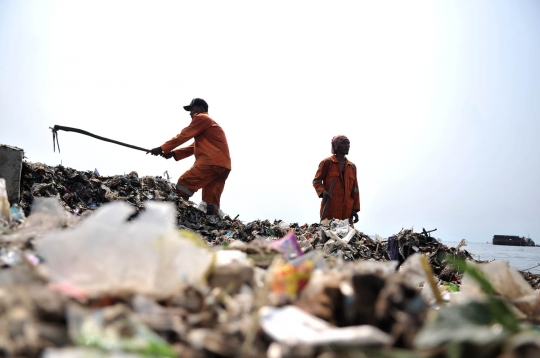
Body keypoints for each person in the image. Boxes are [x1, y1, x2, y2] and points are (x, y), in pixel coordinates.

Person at [148, 98, 231, 215]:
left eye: (192, 109)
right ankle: (212, 221)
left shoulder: (202, 117)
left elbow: (184, 135)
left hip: (211, 162)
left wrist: (162, 148)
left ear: (201, 108)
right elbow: (193, 147)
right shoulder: (210, 125)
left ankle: (176, 210)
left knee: (184, 183)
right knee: (210, 199)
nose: (190, 113)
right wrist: (173, 153)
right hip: (223, 166)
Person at [312, 135, 360, 225]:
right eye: (344, 143)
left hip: (347, 211)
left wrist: (355, 209)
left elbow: (355, 190)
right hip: (331, 208)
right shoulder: (327, 162)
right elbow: (316, 181)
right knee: (329, 235)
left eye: (348, 143)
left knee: (346, 237)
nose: (347, 146)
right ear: (337, 145)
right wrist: (322, 192)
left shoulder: (352, 167)